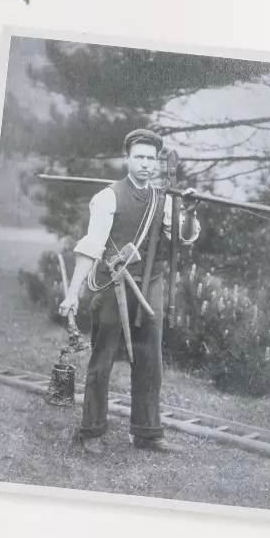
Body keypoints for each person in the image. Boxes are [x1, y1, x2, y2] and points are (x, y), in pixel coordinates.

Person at [56, 127, 200, 452]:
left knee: (150, 357)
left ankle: (147, 432)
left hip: (151, 284)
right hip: (114, 283)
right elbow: (91, 246)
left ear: (158, 163)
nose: (146, 164)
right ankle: (91, 431)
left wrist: (189, 212)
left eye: (152, 158)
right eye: (140, 157)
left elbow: (184, 237)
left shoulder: (162, 200)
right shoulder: (108, 197)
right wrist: (73, 291)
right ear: (127, 159)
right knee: (102, 357)